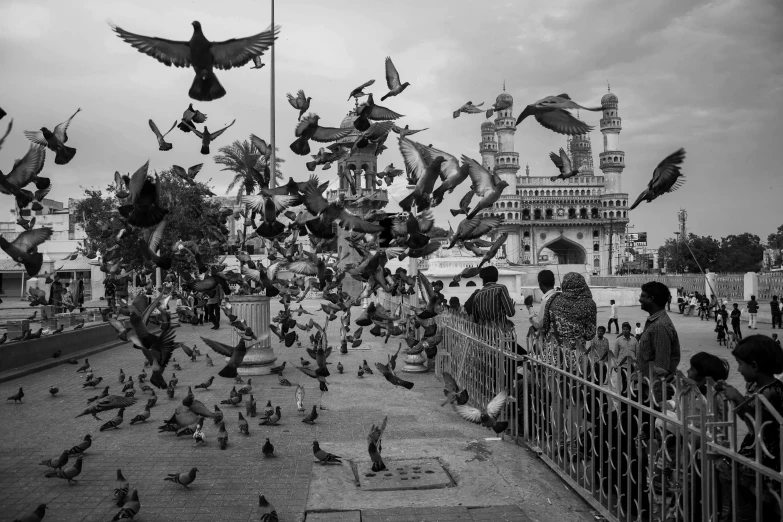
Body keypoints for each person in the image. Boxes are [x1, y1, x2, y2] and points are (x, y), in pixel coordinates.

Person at [718, 335, 783, 521]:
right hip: (757, 445)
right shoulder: (758, 387)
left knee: (734, 477)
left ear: (754, 365)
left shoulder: (771, 392)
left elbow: (758, 426)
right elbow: (748, 420)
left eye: (740, 364)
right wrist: (735, 397)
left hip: (768, 454)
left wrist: (738, 398)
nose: (738, 369)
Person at [637, 281, 681, 400]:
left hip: (651, 393)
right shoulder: (655, 321)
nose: (639, 299)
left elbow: (661, 368)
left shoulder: (659, 326)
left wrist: (654, 399)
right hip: (646, 386)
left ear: (651, 299)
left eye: (642, 296)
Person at [541, 272, 597, 349]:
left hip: (552, 352)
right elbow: (590, 335)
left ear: (564, 284)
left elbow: (545, 327)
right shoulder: (590, 304)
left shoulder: (553, 299)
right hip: (576, 353)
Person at [527, 270, 558, 337]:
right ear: (554, 282)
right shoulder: (559, 296)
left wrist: (529, 307)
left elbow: (538, 324)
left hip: (551, 340)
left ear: (540, 284)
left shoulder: (546, 300)